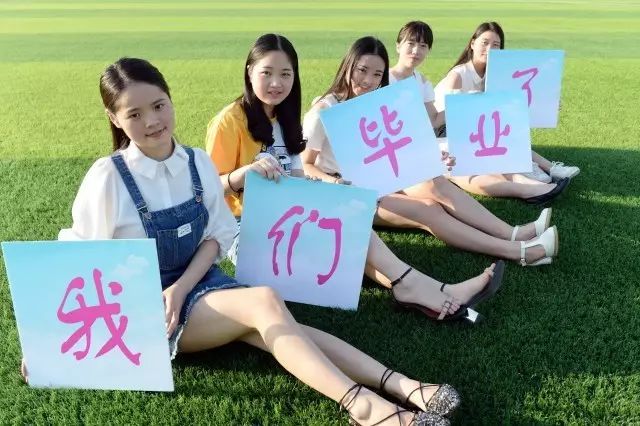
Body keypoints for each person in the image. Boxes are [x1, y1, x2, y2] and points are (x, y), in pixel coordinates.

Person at [22, 56, 463, 426]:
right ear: (114, 118)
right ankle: (363, 407)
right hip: (150, 311)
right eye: (134, 114)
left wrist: (183, 287)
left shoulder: (195, 162)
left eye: (158, 105)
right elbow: (80, 261)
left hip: (200, 286)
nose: (152, 121)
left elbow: (216, 237)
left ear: (171, 99)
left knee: (280, 326)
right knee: (265, 303)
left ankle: (403, 386)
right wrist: (46, 343)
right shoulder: (108, 177)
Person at [206, 33, 504, 324]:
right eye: (267, 73)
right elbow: (207, 195)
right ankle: (428, 289)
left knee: (350, 221)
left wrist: (324, 193)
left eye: (285, 74)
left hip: (286, 215)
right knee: (351, 234)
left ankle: (427, 289)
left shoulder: (285, 117)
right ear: (249, 71)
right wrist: (241, 175)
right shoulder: (230, 121)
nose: (277, 83)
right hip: (245, 228)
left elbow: (297, 177)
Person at [301, 36, 558, 268]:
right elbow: (306, 165)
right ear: (348, 66)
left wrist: (429, 159)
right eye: (362, 70)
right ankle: (518, 251)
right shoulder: (324, 110)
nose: (368, 81)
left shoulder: (371, 106)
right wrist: (336, 183)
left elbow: (391, 150)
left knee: (433, 182)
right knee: (428, 209)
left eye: (377, 74)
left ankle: (511, 233)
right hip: (346, 191)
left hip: (377, 180)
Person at [433, 21, 579, 202]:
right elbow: (452, 117)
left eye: (496, 45)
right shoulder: (458, 75)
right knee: (493, 137)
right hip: (446, 130)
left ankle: (548, 168)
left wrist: (546, 105)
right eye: (485, 42)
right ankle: (527, 175)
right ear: (472, 43)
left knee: (503, 129)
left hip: (471, 125)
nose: (490, 49)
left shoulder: (493, 75)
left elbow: (513, 102)